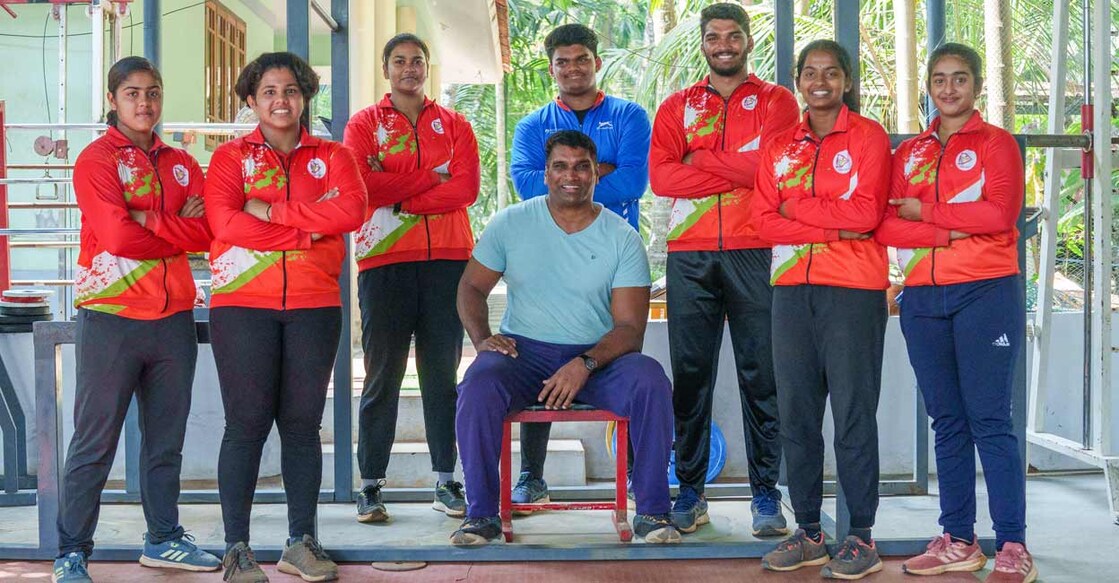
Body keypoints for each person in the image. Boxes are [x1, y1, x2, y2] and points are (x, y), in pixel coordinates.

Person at [451, 130, 678, 546]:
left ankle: (652, 512)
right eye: (560, 166)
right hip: (524, 353)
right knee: (479, 382)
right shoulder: (511, 223)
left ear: (596, 174)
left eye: (581, 167)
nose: (570, 175)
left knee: (650, 379)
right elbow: (470, 288)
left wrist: (585, 363)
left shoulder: (622, 237)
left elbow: (630, 329)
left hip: (600, 358)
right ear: (545, 174)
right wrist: (483, 338)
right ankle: (481, 515)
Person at [52, 56, 220, 583]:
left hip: (172, 318)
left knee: (165, 440)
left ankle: (163, 538)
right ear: (113, 99)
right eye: (132, 94)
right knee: (94, 441)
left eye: (152, 93)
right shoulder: (97, 160)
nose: (144, 103)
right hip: (112, 315)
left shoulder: (180, 162)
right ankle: (72, 551)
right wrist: (173, 226)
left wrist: (149, 218)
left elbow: (211, 233)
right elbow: (119, 238)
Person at [204, 51, 366, 583]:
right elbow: (226, 222)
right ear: (251, 100)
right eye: (270, 91)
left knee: (301, 427)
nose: (281, 100)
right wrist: (305, 232)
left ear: (304, 98)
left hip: (315, 306)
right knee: (246, 426)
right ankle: (237, 549)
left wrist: (270, 212)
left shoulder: (334, 154)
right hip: (241, 307)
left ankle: (301, 542)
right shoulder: (230, 159)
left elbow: (351, 213)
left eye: (291, 90)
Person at [877, 43, 1036, 583]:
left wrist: (926, 213)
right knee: (946, 421)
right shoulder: (911, 152)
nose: (949, 89)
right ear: (928, 85)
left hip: (986, 292)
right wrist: (947, 227)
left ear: (978, 86)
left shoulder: (998, 145)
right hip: (923, 298)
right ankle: (959, 539)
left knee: (991, 420)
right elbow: (889, 224)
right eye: (940, 80)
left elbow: (1001, 213)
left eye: (960, 79)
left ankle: (1012, 543)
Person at [647, 2, 798, 536]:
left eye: (733, 36)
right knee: (690, 379)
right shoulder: (676, 107)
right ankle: (689, 491)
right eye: (714, 36)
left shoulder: (778, 102)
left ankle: (765, 496)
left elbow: (773, 171)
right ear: (704, 44)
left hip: (757, 250)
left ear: (748, 41)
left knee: (763, 377)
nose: (724, 44)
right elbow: (663, 178)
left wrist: (701, 159)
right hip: (690, 255)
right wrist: (736, 170)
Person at [752, 40, 891, 580]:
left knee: (854, 413)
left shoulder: (868, 137)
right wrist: (829, 219)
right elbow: (764, 220)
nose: (819, 82)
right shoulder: (779, 144)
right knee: (797, 415)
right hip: (789, 291)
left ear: (846, 82)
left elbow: (866, 213)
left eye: (830, 73)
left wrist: (797, 208)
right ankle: (808, 531)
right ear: (797, 80)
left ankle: (859, 535)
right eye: (810, 73)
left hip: (853, 290)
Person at [509, 22, 651, 508]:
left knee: (623, 356)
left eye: (581, 59)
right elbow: (527, 186)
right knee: (544, 351)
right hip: (550, 259)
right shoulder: (531, 125)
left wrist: (573, 186)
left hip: (612, 260)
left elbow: (634, 181)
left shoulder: (630, 116)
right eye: (563, 62)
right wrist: (591, 175)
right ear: (551, 69)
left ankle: (635, 475)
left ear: (596, 62)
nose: (573, 69)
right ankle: (531, 476)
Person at [343, 33, 480, 524]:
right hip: (384, 261)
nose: (409, 69)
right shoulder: (364, 124)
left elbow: (466, 188)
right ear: (386, 70)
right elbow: (361, 185)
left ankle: (446, 480)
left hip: (448, 261)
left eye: (417, 61)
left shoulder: (454, 124)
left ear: (427, 68)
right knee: (383, 374)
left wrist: (398, 195)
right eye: (399, 61)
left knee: (442, 376)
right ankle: (370, 486)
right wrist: (431, 177)